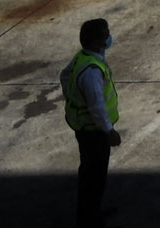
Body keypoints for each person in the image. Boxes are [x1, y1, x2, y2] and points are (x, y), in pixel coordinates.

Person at [63, 17, 119, 228]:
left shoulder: (83, 58)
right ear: (96, 41)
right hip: (93, 132)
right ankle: (90, 220)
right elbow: (97, 106)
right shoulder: (92, 72)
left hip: (85, 128)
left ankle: (92, 213)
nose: (109, 37)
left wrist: (72, 97)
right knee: (94, 177)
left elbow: (64, 76)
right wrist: (109, 131)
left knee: (90, 174)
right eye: (105, 34)